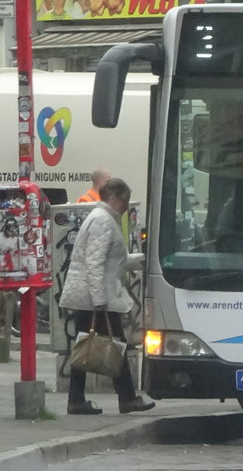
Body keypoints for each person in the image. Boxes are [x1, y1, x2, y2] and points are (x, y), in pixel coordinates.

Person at [58, 177, 154, 415]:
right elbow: (95, 262)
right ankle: (126, 397)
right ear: (113, 198)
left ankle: (78, 400)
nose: (126, 206)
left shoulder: (101, 218)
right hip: (96, 298)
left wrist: (138, 261)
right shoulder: (103, 221)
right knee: (115, 343)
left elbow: (111, 261)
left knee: (85, 346)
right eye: (125, 200)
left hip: (90, 295)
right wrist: (99, 299)